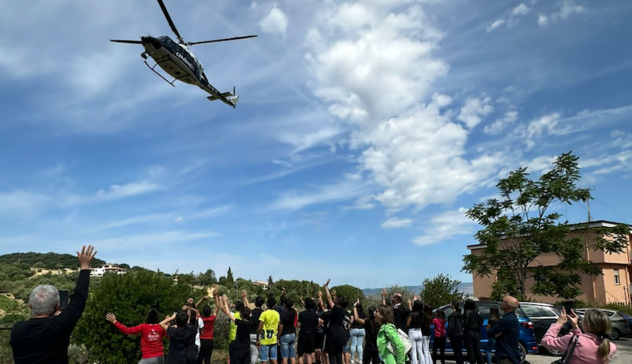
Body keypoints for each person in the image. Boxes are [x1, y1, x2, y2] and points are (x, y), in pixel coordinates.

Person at [10, 245, 97, 364]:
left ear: (30, 305)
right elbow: (79, 298)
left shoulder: (17, 330)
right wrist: (85, 266)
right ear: (57, 306)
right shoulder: (59, 326)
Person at [541, 308, 617, 364]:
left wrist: (559, 323)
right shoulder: (611, 347)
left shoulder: (571, 339)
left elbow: (545, 341)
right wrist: (575, 327)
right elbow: (583, 341)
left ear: (587, 325)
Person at [486, 296, 520, 364]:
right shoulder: (513, 317)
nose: (501, 303)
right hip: (511, 354)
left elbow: (489, 332)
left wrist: (494, 335)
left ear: (507, 305)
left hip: (506, 355)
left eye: (503, 301)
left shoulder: (506, 320)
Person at [220, 295, 253, 364]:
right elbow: (250, 312)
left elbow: (228, 313)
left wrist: (225, 301)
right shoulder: (250, 322)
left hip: (238, 349)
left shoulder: (240, 322)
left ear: (241, 314)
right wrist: (245, 298)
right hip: (246, 349)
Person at [323, 279, 350, 364]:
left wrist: (326, 287)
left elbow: (328, 297)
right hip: (340, 333)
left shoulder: (335, 309)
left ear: (337, 301)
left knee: (332, 355)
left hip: (332, 333)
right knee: (339, 354)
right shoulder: (342, 310)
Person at [197, 289, 220, 364]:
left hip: (201, 340)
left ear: (203, 312)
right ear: (210, 312)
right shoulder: (212, 319)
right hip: (209, 340)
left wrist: (202, 300)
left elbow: (195, 307)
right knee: (207, 359)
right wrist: (216, 296)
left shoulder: (200, 319)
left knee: (199, 358)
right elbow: (217, 308)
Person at [257, 296, 281, 364]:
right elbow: (279, 327)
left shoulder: (264, 313)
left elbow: (259, 328)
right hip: (273, 339)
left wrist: (257, 339)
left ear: (267, 303)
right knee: (274, 359)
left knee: (264, 359)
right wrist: (278, 337)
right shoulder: (277, 314)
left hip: (265, 339)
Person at [298, 297, 319, 364]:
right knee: (308, 354)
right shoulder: (314, 314)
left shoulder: (302, 314)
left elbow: (298, 324)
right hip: (311, 335)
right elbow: (317, 324)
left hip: (303, 335)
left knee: (300, 354)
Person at [463, 299, 484, 364]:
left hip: (469, 332)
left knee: (470, 349)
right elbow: (481, 320)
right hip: (477, 332)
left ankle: (472, 362)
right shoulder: (477, 312)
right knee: (477, 349)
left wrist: (463, 326)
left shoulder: (467, 312)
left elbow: (466, 323)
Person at [407, 299, 426, 364]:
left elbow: (408, 324)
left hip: (412, 332)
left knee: (413, 351)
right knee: (420, 351)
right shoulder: (422, 314)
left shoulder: (412, 314)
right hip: (419, 331)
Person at [280, 299, 298, 364]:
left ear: (285, 305)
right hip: (292, 334)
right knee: (292, 356)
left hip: (285, 334)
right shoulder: (293, 311)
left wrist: (278, 336)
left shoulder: (284, 314)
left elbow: (281, 327)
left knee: (285, 356)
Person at [250, 296, 266, 364]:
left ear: (255, 303)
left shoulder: (251, 312)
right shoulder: (263, 313)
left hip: (251, 334)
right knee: (261, 354)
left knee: (253, 354)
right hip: (260, 335)